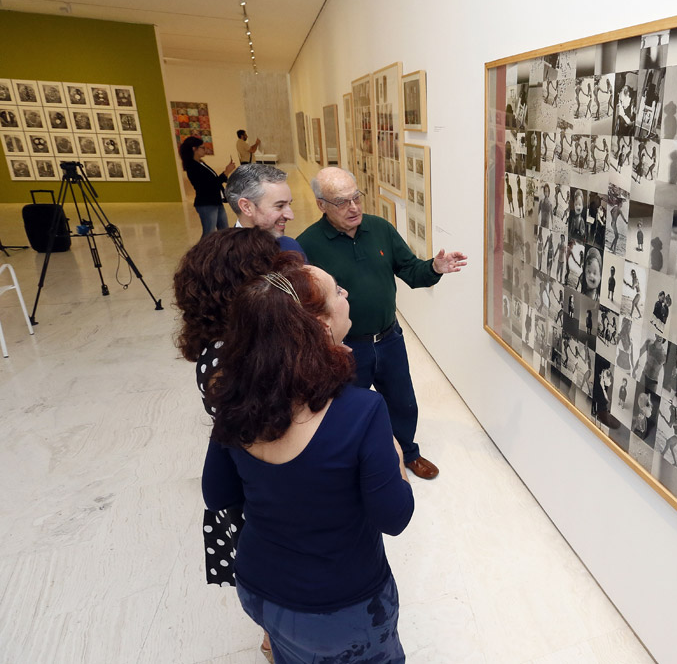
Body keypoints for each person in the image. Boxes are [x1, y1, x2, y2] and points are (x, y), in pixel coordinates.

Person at [201, 252, 414, 662]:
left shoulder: (232, 397)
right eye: (338, 291)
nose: (346, 293)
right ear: (321, 325)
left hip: (260, 586)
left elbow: (217, 493)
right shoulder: (360, 411)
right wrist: (396, 456)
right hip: (341, 605)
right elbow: (395, 517)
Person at [297, 167, 467, 480]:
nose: (354, 207)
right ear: (321, 205)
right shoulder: (307, 246)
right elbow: (303, 307)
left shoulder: (379, 229)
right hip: (346, 348)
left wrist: (435, 267)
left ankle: (408, 454)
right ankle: (353, 463)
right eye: (342, 202)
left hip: (389, 339)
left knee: (402, 402)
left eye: (356, 197)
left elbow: (412, 271)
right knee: (347, 410)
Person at [173, 228, 282, 660]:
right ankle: (276, 639)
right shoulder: (232, 356)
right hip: (259, 486)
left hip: (246, 477)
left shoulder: (226, 344)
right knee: (275, 574)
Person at [225, 164, 306, 258]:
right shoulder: (223, 259)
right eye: (280, 206)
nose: (291, 216)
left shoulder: (291, 247)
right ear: (246, 207)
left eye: (289, 204)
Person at [179, 135, 236, 238]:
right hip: (206, 203)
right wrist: (226, 172)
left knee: (224, 231)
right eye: (202, 147)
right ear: (194, 149)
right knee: (209, 234)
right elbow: (209, 185)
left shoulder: (201, 163)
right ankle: (201, 253)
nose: (205, 150)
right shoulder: (193, 166)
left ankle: (224, 252)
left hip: (215, 201)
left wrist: (226, 174)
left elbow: (213, 181)